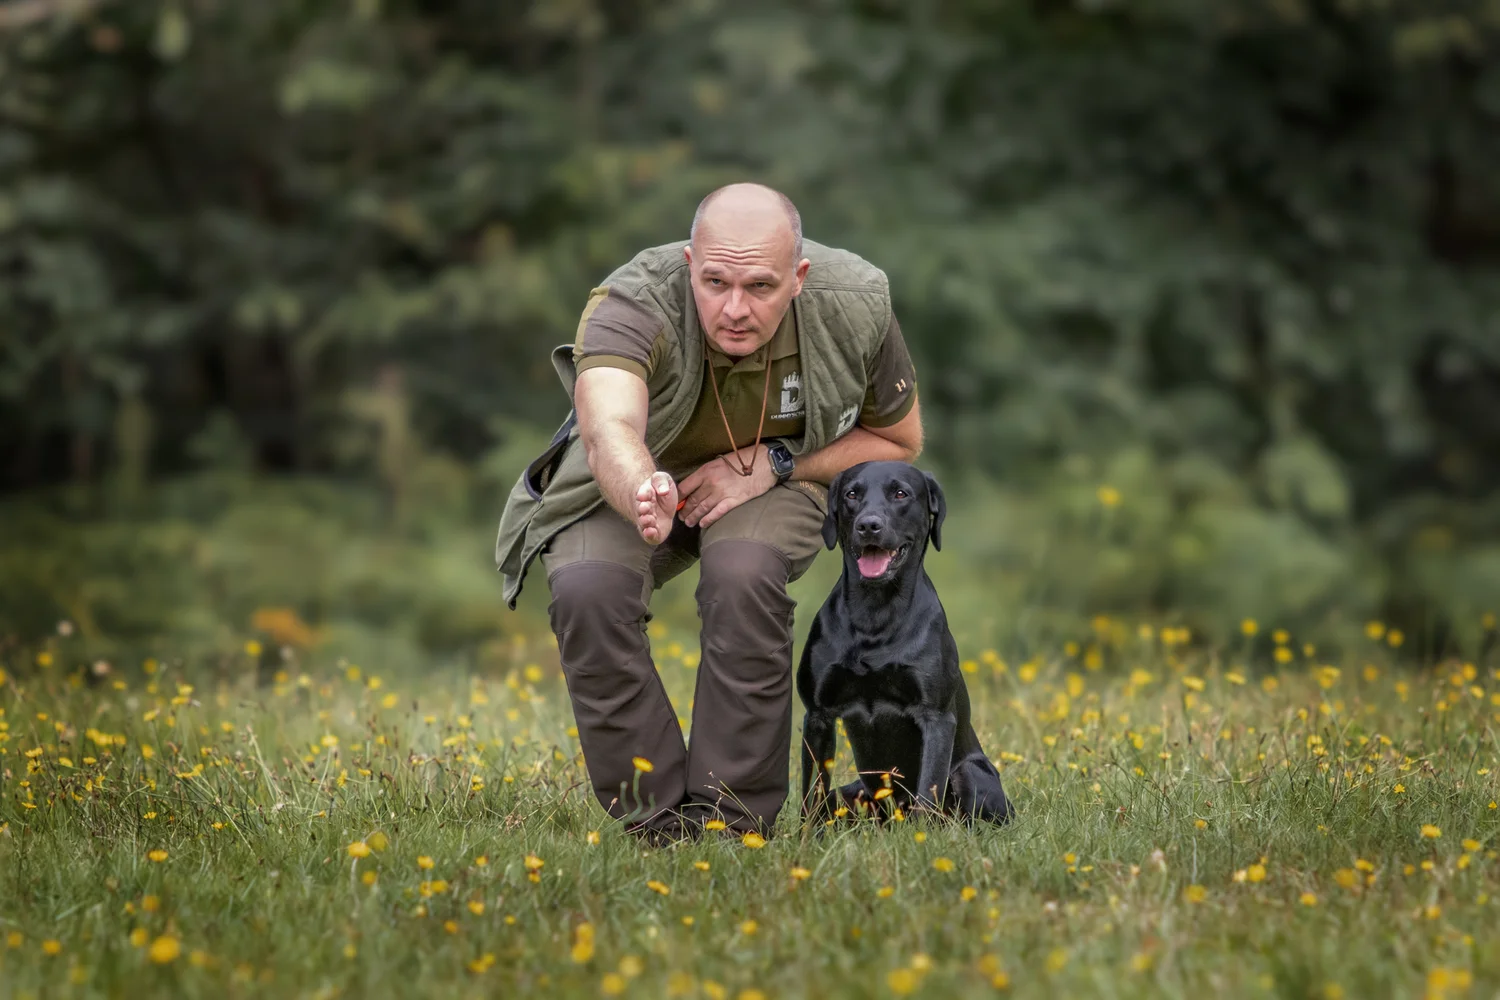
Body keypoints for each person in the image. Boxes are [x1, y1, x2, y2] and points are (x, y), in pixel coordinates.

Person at [493, 183, 923, 840]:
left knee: (743, 574)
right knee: (587, 589)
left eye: (760, 287)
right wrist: (643, 486)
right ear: (690, 264)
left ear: (799, 278)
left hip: (775, 480)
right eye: (715, 282)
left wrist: (777, 464)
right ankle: (656, 823)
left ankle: (732, 821)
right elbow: (608, 426)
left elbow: (899, 442)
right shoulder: (633, 302)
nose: (735, 308)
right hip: (639, 475)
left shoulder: (854, 302)